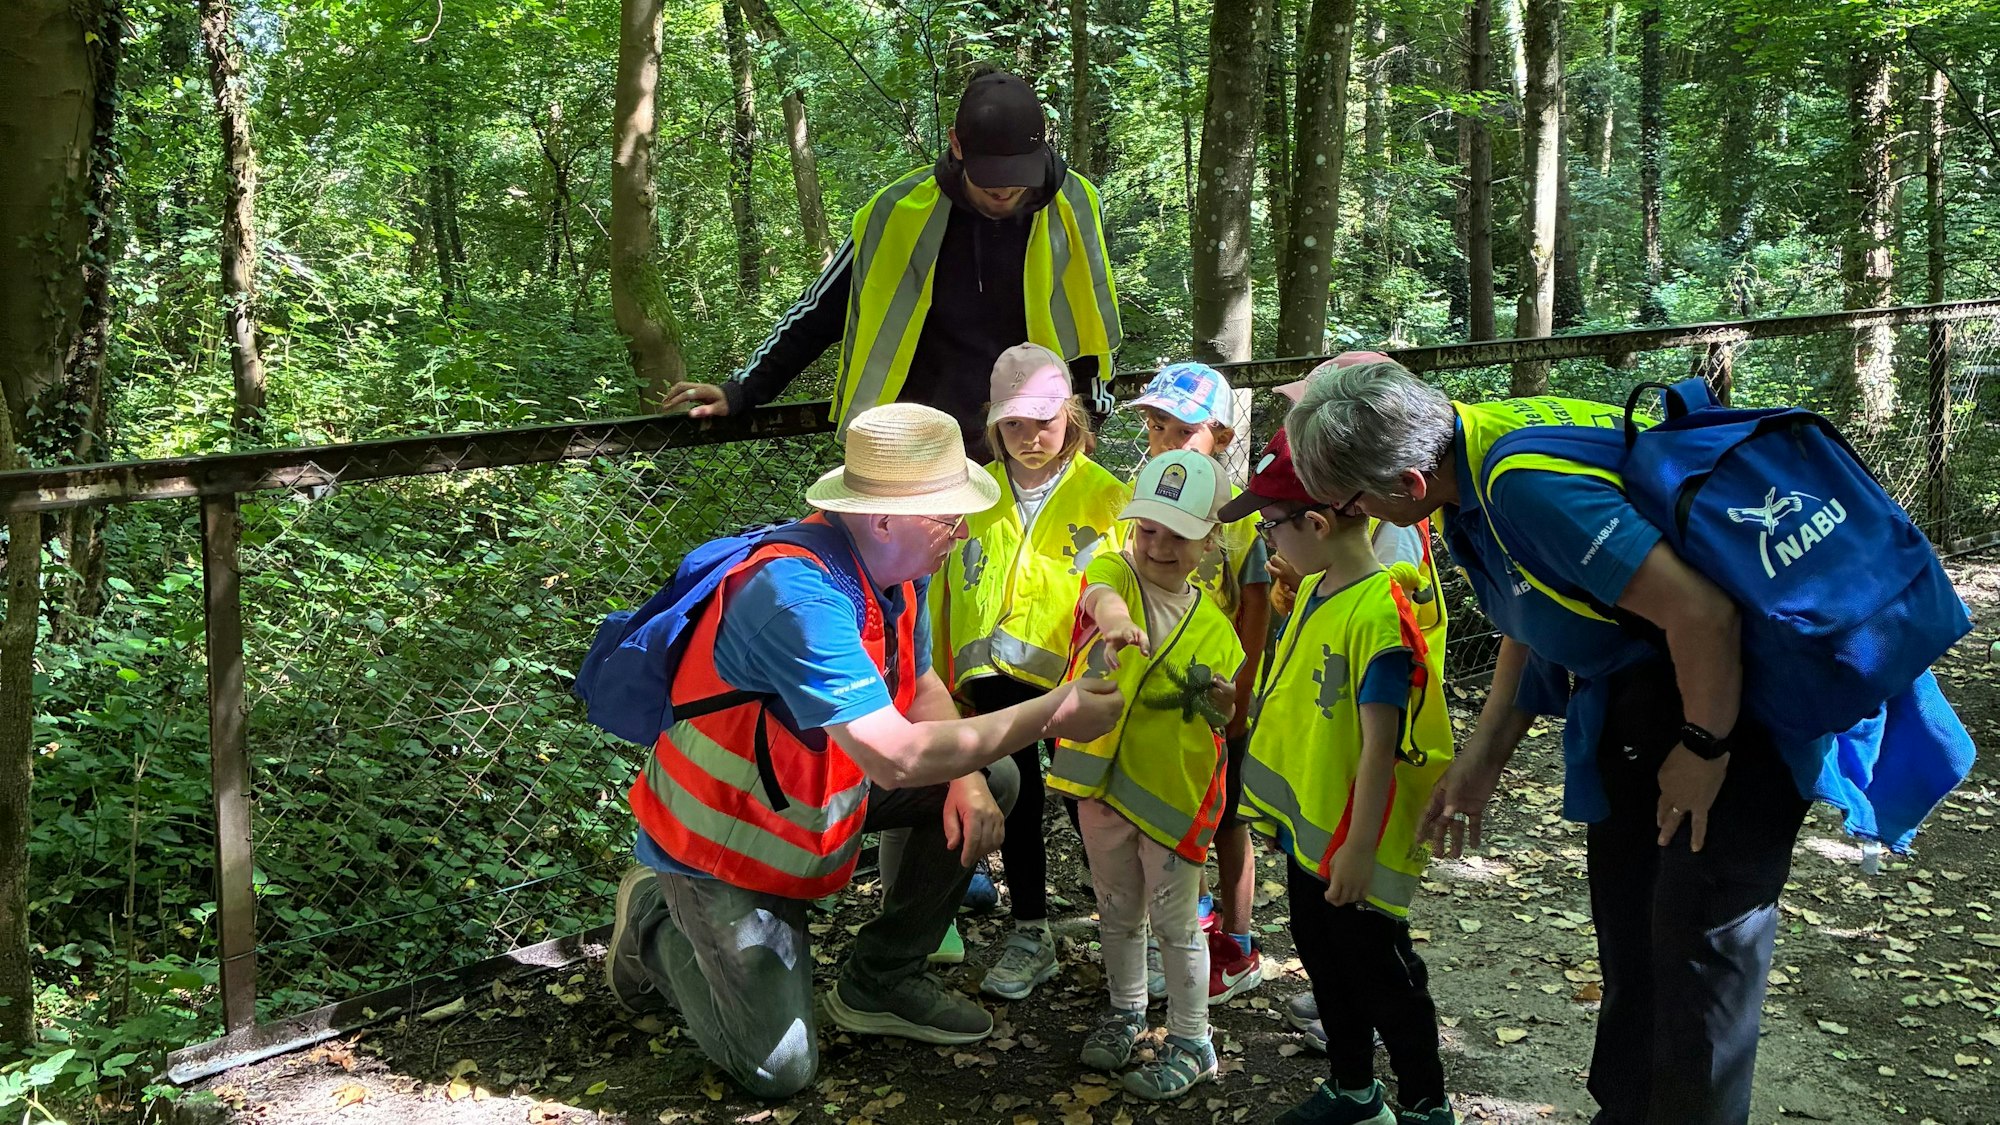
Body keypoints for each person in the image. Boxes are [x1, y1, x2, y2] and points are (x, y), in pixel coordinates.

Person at [1284, 360, 1811, 1125]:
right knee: (1634, 938)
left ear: (1408, 481)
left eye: (1353, 500)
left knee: (1696, 957)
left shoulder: (1521, 485)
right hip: (1637, 710)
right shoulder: (1468, 462)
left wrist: (1704, 748)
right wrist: (1483, 759)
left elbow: (1704, 614)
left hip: (1723, 707)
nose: (1351, 513)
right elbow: (1531, 610)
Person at [603, 403, 1123, 1099]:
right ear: (884, 519)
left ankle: (882, 979)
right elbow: (896, 757)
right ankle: (655, 920)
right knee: (777, 1070)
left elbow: (922, 682)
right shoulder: (794, 597)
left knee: (991, 778)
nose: (963, 532)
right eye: (949, 517)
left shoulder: (899, 566)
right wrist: (1056, 711)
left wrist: (968, 779)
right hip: (723, 837)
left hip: (811, 799)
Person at [660, 69, 1121, 461]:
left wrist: (1091, 416)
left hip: (1031, 440)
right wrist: (743, 389)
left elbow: (1093, 323)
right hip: (920, 441)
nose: (1004, 190)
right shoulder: (898, 211)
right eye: (990, 178)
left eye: (1016, 177)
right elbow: (821, 310)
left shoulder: (1074, 205)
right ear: (957, 145)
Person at [1220, 426, 1455, 1125]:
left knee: (1383, 975)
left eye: (1271, 525)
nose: (1267, 541)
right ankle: (1354, 1091)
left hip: (1353, 844)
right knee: (1325, 963)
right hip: (1313, 835)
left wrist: (1357, 849)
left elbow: (1381, 748)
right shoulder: (1317, 588)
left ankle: (1426, 1104)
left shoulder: (1379, 616)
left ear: (1317, 523)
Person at [925, 343, 1129, 999]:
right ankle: (1030, 930)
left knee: (1088, 799)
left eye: (1044, 422)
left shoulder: (1107, 497)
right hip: (990, 682)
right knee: (1019, 798)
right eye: (1013, 424)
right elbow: (942, 589)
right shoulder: (973, 493)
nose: (1030, 438)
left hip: (1076, 681)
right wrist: (941, 683)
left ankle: (1129, 930)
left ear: (1071, 415)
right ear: (993, 423)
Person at [1048, 449, 1246, 1101]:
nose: (1158, 545)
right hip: (1100, 783)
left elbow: (1222, 715)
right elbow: (1100, 592)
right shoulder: (1120, 573)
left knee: (1176, 921)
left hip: (1169, 792)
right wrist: (1116, 624)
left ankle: (1193, 1038)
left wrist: (1222, 704)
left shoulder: (1218, 629)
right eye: (1148, 528)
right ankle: (1126, 1008)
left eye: (1178, 534)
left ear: (1209, 541)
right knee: (1115, 906)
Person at [1126, 363, 1272, 1003]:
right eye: (1157, 426)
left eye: (1183, 431)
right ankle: (1188, 924)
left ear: (1221, 435)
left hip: (1218, 693)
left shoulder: (1238, 513)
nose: (1166, 441)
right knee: (1167, 810)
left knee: (1229, 815)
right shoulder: (1142, 496)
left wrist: (1240, 693)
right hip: (1157, 694)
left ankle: (1237, 943)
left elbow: (1256, 605)